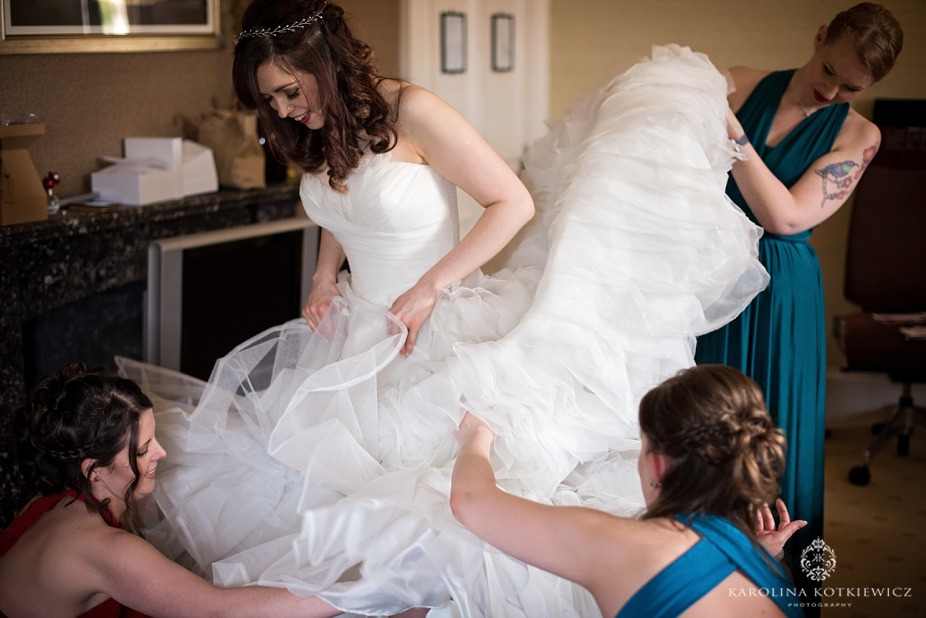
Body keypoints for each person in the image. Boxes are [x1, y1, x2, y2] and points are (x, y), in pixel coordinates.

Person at [117, 1, 770, 615]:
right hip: (353, 335)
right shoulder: (317, 130)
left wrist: (432, 284)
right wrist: (322, 276)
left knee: (420, 512)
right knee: (319, 493)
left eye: (291, 91)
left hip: (435, 331)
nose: (285, 110)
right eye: (271, 100)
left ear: (325, 64)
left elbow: (512, 202)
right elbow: (340, 205)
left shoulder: (415, 110)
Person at [694, 2, 904, 592]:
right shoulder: (742, 82)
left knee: (772, 443)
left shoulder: (860, 135)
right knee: (705, 435)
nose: (831, 90)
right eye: (829, 70)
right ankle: (698, 590)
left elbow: (786, 217)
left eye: (850, 86)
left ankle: (782, 595)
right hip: (709, 276)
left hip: (779, 294)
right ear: (819, 38)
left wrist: (734, 135)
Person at [451, 364, 806, 617]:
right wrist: (755, 555)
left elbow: (470, 501)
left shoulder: (624, 547)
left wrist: (475, 437)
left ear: (657, 465)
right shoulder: (769, 570)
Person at [0, 363, 341, 618]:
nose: (161, 453)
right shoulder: (107, 550)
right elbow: (217, 611)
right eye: (142, 449)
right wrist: (349, 595)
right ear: (93, 470)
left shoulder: (48, 503)